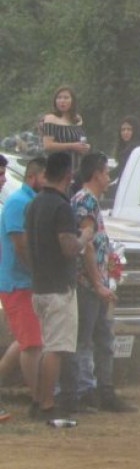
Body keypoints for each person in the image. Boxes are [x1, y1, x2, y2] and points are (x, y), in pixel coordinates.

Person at [26, 152, 93, 424]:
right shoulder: (61, 207)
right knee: (56, 348)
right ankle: (46, 404)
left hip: (39, 285)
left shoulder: (34, 204)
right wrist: (86, 234)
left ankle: (37, 400)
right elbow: (68, 247)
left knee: (47, 346)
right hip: (58, 288)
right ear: (68, 174)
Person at [69, 153, 135, 413]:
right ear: (96, 173)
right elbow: (87, 248)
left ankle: (102, 390)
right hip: (88, 283)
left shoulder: (89, 200)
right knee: (88, 338)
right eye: (106, 172)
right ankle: (88, 390)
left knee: (101, 337)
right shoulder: (85, 200)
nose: (108, 177)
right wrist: (97, 282)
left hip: (95, 280)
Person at [0, 156, 47, 422]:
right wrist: (38, 273)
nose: (4, 179)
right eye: (0, 174)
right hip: (17, 283)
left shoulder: (20, 201)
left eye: (5, 173)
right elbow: (19, 245)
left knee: (26, 341)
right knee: (31, 345)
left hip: (17, 282)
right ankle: (39, 401)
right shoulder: (19, 203)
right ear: (34, 177)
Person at [39, 86, 90, 172]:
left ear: (72, 101)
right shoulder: (51, 118)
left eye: (66, 98)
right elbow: (47, 145)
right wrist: (73, 146)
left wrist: (85, 147)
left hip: (77, 168)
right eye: (59, 98)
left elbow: (81, 140)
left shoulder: (77, 119)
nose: (62, 101)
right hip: (59, 168)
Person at [112, 115, 140, 181]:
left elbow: (120, 170)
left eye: (129, 129)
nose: (125, 132)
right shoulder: (122, 149)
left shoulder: (136, 150)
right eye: (123, 130)